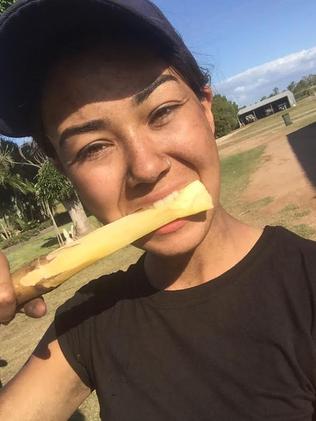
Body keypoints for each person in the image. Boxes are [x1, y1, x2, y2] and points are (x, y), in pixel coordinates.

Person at [0, 1, 316, 420]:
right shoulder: (90, 319)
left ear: (206, 108)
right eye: (93, 148)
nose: (147, 168)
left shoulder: (306, 285)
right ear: (65, 172)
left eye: (162, 112)